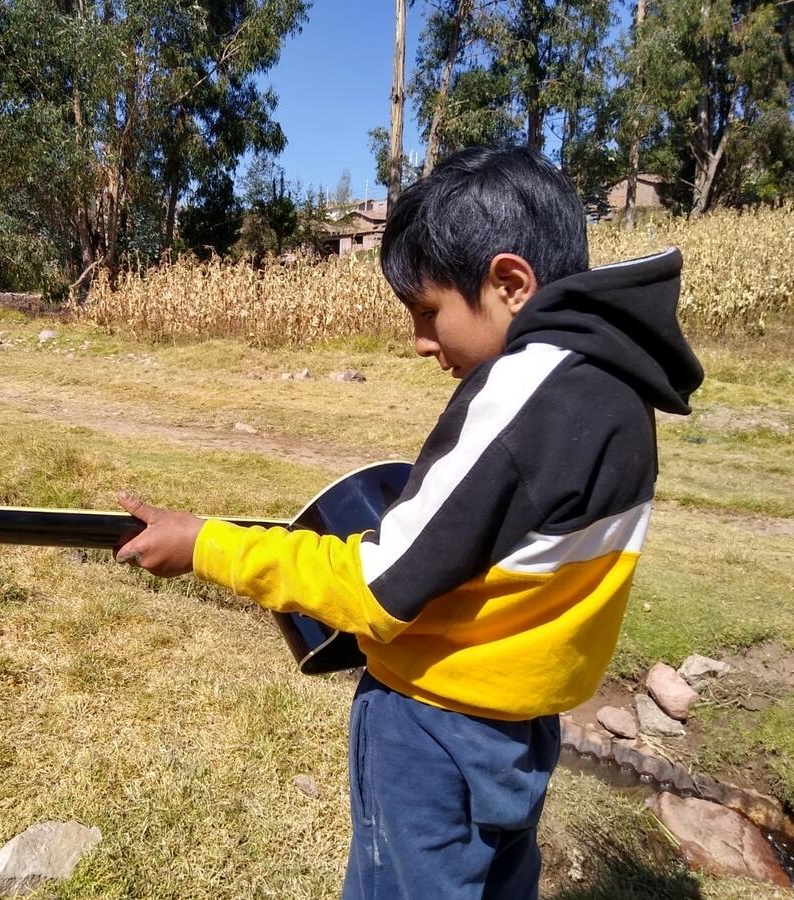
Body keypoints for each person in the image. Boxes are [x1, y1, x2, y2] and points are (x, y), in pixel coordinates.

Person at [112, 144, 703, 899]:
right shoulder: (622, 387)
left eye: (429, 312)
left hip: (435, 729)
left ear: (510, 283)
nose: (421, 341)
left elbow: (378, 586)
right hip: (521, 729)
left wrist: (206, 543)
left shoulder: (526, 389)